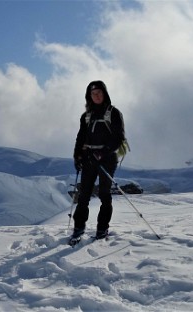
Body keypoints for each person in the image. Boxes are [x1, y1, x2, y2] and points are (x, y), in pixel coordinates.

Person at [71, 80, 124, 243]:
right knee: (84, 194)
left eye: (99, 92)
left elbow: (118, 138)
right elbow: (80, 138)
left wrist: (103, 152)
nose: (97, 96)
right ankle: (79, 227)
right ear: (89, 96)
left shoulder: (113, 113)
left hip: (107, 159)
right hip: (88, 159)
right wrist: (77, 156)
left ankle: (102, 228)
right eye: (93, 94)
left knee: (104, 194)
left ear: (105, 93)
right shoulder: (86, 116)